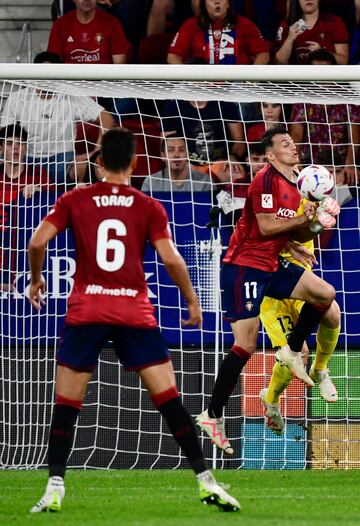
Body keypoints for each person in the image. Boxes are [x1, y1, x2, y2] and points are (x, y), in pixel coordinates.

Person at [28, 127, 240, 513]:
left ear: (101, 162)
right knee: (169, 400)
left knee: (66, 404)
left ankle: (55, 486)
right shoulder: (147, 205)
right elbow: (171, 258)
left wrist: (38, 278)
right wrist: (193, 300)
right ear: (136, 162)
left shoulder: (75, 198)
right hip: (134, 312)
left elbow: (37, 242)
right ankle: (206, 481)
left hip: (87, 310)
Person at [195, 125, 340, 454]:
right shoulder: (264, 179)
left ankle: (291, 351)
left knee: (325, 295)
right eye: (284, 144)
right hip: (244, 266)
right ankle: (212, 414)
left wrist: (319, 221)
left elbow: (298, 229)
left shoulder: (301, 179)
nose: (293, 147)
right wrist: (304, 220)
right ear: (270, 155)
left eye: (292, 142)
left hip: (273, 265)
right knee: (244, 344)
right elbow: (265, 225)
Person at [259, 199, 340, 435]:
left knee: (333, 313)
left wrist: (322, 219)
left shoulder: (306, 197)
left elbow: (311, 236)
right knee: (299, 352)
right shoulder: (266, 197)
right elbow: (260, 236)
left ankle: (320, 369)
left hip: (301, 281)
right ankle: (271, 401)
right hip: (272, 288)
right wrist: (291, 241)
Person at [0, 53, 114, 186]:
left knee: (88, 165)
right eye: (41, 73)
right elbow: (4, 132)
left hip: (63, 160)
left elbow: (107, 118)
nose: (45, 78)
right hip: (27, 160)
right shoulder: (18, 98)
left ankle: (80, 197)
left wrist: (95, 151)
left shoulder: (71, 96)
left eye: (50, 73)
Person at [289, 48, 359, 186]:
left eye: (326, 70)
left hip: (340, 166)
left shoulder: (347, 99)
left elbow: (354, 135)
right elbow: (296, 134)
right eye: (317, 71)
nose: (322, 76)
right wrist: (296, 164)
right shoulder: (302, 100)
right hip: (310, 167)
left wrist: (350, 165)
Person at [0, 124, 52, 292]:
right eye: (9, 143)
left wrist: (40, 191)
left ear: (25, 149)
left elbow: (56, 203)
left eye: (20, 143)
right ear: (1, 149)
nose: (15, 148)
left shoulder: (39, 175)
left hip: (27, 251)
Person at [168, 0, 270, 64]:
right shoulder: (190, 25)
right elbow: (172, 57)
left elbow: (263, 55)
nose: (217, 2)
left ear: (228, 3)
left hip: (237, 86)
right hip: (200, 85)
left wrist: (250, 80)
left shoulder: (245, 24)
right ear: (204, 4)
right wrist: (190, 79)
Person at [48, 0, 129, 64]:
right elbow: (52, 63)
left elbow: (119, 66)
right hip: (71, 77)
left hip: (102, 77)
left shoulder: (112, 23)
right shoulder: (60, 24)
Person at [274, 0, 349, 65]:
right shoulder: (287, 24)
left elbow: (344, 60)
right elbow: (279, 62)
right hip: (296, 77)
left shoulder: (334, 22)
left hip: (326, 77)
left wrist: (323, 53)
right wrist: (290, 39)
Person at [160, 99, 246, 165]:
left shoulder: (225, 103)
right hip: (188, 168)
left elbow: (239, 140)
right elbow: (167, 147)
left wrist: (233, 157)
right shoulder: (173, 106)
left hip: (222, 166)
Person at [141, 134, 212, 192]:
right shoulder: (151, 182)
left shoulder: (205, 181)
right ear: (162, 156)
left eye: (181, 150)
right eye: (171, 150)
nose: (176, 155)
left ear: (187, 154)